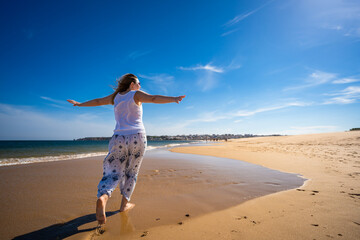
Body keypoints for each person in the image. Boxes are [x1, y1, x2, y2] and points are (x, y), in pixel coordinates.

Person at [67, 73, 185, 226]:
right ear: (131, 84)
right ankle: (124, 205)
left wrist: (79, 104)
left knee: (113, 172)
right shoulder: (135, 94)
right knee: (132, 172)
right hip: (137, 137)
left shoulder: (115, 96)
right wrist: (173, 98)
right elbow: (154, 98)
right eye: (138, 83)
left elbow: (97, 101)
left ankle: (103, 198)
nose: (140, 85)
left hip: (118, 138)